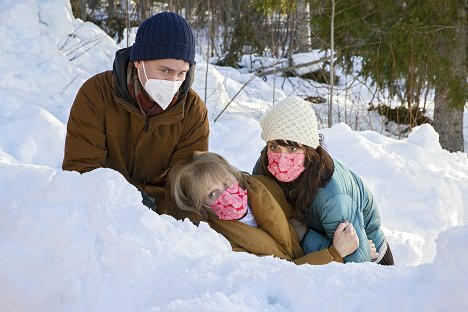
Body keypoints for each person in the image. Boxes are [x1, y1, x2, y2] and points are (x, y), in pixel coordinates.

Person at [62, 12, 209, 215]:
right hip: (99, 207)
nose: (173, 82)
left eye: (181, 73)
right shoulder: (97, 93)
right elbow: (81, 169)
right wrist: (127, 201)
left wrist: (169, 225)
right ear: (139, 61)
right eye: (165, 71)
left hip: (160, 217)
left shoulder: (192, 111)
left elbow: (189, 188)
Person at [253, 96, 394, 265]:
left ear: (309, 149)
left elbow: (356, 262)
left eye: (292, 148)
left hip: (373, 263)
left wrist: (303, 235)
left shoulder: (332, 196)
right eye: (275, 147)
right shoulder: (265, 166)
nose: (282, 158)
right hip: (318, 256)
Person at [168, 151, 361, 265]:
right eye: (212, 194)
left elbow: (305, 214)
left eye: (227, 183)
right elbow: (280, 275)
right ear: (202, 207)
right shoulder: (223, 242)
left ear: (234, 175)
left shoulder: (263, 187)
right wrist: (334, 254)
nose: (226, 194)